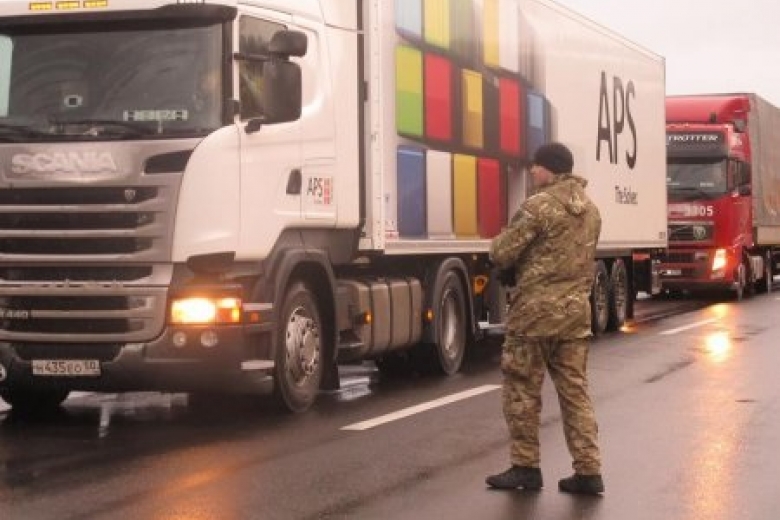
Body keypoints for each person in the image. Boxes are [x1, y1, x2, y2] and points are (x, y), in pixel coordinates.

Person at [486, 142, 605, 495]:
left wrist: (510, 261)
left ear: (550, 169)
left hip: (535, 316)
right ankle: (588, 471)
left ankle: (525, 467)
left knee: (522, 390)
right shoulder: (592, 210)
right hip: (574, 316)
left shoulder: (538, 207)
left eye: (536, 167)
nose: (533, 172)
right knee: (575, 394)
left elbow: (501, 251)